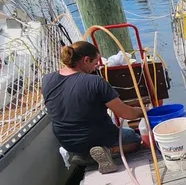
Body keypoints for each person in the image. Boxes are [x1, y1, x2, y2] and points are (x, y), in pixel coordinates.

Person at [42, 41, 144, 174]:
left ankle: (83, 155)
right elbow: (126, 114)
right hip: (97, 137)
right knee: (135, 139)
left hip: (67, 142)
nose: (96, 68)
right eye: (95, 63)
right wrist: (144, 112)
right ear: (85, 60)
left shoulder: (47, 79)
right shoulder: (95, 82)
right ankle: (107, 150)